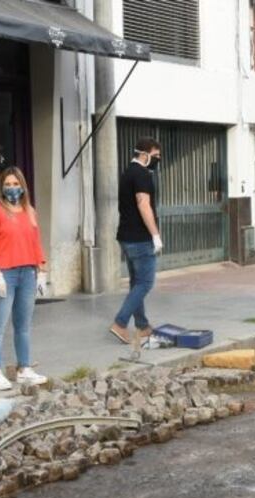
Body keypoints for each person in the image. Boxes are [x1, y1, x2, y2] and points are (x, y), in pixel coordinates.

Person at [0, 167, 48, 390]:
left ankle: (24, 369)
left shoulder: (29, 211)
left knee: (23, 325)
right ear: (1, 188)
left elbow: (36, 242)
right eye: (7, 184)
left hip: (27, 274)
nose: (12, 188)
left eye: (15, 184)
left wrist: (41, 271)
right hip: (5, 274)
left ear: (23, 186)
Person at [111, 137, 163, 344]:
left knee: (136, 283)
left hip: (126, 237)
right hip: (140, 238)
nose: (158, 160)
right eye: (156, 156)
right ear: (144, 154)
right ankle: (120, 323)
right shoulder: (142, 174)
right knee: (145, 283)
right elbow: (143, 205)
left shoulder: (127, 173)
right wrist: (155, 235)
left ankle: (142, 326)